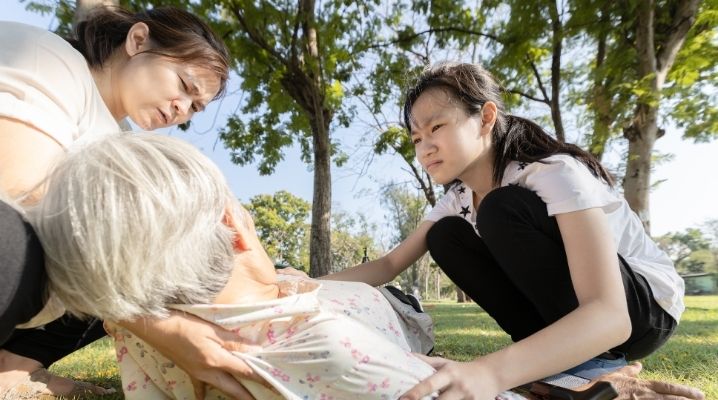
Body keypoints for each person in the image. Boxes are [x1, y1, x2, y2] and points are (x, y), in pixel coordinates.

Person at [307, 62, 703, 400]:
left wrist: (489, 373)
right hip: (580, 317)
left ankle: (592, 367)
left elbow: (611, 315)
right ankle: (571, 370)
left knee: (501, 209)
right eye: (416, 137)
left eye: (436, 127)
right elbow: (390, 263)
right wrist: (302, 285)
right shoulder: (458, 199)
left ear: (486, 117)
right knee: (444, 235)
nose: (424, 147)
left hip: (643, 312)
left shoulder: (552, 173)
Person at [26, 132, 465, 399]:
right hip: (391, 313)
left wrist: (285, 282)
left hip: (304, 293)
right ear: (230, 222)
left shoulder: (138, 330)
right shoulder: (330, 348)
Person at [0, 6, 258, 399]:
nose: (181, 110)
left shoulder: (119, 143)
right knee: (21, 242)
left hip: (26, 295)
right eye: (185, 86)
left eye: (195, 108)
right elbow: (19, 193)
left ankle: (10, 371)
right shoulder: (49, 59)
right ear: (138, 41)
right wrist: (167, 331)